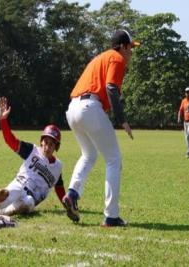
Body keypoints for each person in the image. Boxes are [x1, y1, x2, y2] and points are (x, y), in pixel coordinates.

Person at [62, 29, 140, 227]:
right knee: (114, 159)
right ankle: (111, 216)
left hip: (73, 109)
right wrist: (122, 119)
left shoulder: (100, 57)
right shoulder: (117, 57)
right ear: (122, 46)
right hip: (90, 107)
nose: (131, 52)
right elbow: (111, 87)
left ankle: (71, 194)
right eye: (130, 47)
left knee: (89, 155)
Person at [0, 97, 66, 216]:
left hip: (32, 196)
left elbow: (59, 189)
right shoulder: (31, 150)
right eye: (46, 142)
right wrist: (3, 120)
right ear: (41, 142)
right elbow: (10, 140)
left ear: (56, 147)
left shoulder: (57, 167)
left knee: (27, 202)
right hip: (20, 184)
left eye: (51, 144)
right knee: (9, 193)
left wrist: (67, 205)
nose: (47, 147)